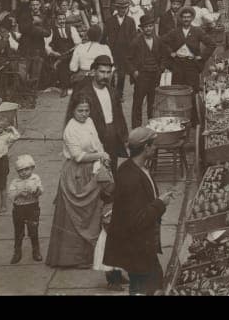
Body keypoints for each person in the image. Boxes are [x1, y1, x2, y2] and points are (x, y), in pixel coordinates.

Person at [103, 126, 178, 295]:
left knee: (146, 284)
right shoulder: (132, 178)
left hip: (140, 246)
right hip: (137, 249)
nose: (156, 148)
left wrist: (158, 199)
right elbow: (139, 219)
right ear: (146, 147)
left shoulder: (131, 167)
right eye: (154, 145)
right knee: (148, 286)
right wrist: (161, 203)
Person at [47, 96, 111, 268]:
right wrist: (100, 155)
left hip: (92, 170)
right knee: (76, 215)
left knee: (92, 212)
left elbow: (98, 143)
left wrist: (102, 159)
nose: (84, 114)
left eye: (86, 110)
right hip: (76, 173)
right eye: (80, 111)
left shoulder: (89, 122)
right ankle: (73, 259)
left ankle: (91, 256)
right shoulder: (70, 129)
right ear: (73, 111)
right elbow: (78, 156)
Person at [68, 55, 129, 171]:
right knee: (95, 171)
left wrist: (124, 136)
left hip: (112, 135)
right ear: (93, 72)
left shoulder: (112, 92)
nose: (105, 76)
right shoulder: (84, 93)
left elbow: (119, 115)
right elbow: (74, 117)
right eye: (102, 72)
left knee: (111, 169)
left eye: (108, 72)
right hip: (94, 136)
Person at [159, 6, 207, 122]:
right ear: (181, 18)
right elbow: (162, 41)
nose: (186, 19)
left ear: (192, 18)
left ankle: (194, 120)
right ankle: (180, 119)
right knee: (178, 91)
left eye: (188, 17)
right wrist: (171, 52)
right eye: (184, 17)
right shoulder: (175, 32)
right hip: (178, 65)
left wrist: (201, 56)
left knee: (193, 91)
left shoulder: (197, 31)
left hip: (191, 65)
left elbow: (211, 44)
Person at [126, 15, 170, 128]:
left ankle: (151, 126)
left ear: (153, 27)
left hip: (155, 76)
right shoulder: (136, 42)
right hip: (142, 76)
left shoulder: (158, 40)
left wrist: (161, 69)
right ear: (142, 28)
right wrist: (134, 71)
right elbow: (128, 59)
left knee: (152, 103)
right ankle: (136, 128)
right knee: (138, 102)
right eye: (146, 27)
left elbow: (164, 56)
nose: (148, 29)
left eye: (150, 26)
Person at [7, 154, 43, 263]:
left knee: (33, 230)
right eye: (20, 171)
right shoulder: (15, 182)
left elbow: (41, 190)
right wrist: (18, 193)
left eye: (26, 169)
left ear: (32, 168)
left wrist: (36, 191)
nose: (24, 172)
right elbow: (10, 194)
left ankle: (36, 251)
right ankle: (17, 252)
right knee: (19, 231)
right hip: (19, 209)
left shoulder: (35, 178)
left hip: (32, 207)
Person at [103, 0, 137, 103]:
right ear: (116, 8)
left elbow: (134, 37)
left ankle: (119, 94)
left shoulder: (130, 21)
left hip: (125, 52)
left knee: (122, 75)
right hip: (112, 51)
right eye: (121, 8)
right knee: (111, 74)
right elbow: (104, 37)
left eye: (125, 8)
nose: (123, 10)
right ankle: (111, 92)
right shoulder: (110, 21)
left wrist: (132, 51)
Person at [47, 13, 81, 97]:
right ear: (56, 20)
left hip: (71, 53)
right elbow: (46, 45)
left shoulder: (71, 29)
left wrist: (73, 51)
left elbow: (78, 43)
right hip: (58, 54)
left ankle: (69, 86)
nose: (62, 21)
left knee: (66, 61)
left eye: (63, 19)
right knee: (63, 64)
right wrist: (53, 53)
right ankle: (64, 88)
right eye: (60, 19)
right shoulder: (52, 30)